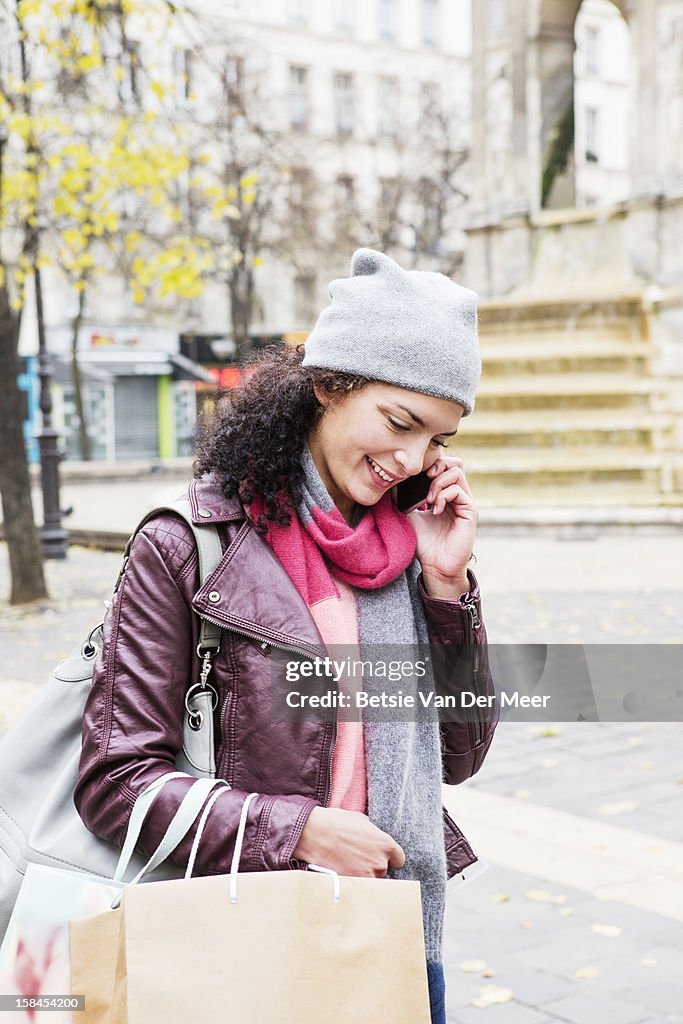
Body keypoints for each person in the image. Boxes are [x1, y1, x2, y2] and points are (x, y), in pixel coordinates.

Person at [75, 248, 498, 1024]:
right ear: (326, 386)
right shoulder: (189, 545)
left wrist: (446, 588)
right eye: (399, 421)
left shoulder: (412, 545)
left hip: (396, 934)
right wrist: (297, 830)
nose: (411, 458)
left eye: (436, 438)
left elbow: (460, 755)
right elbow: (114, 780)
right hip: (246, 938)